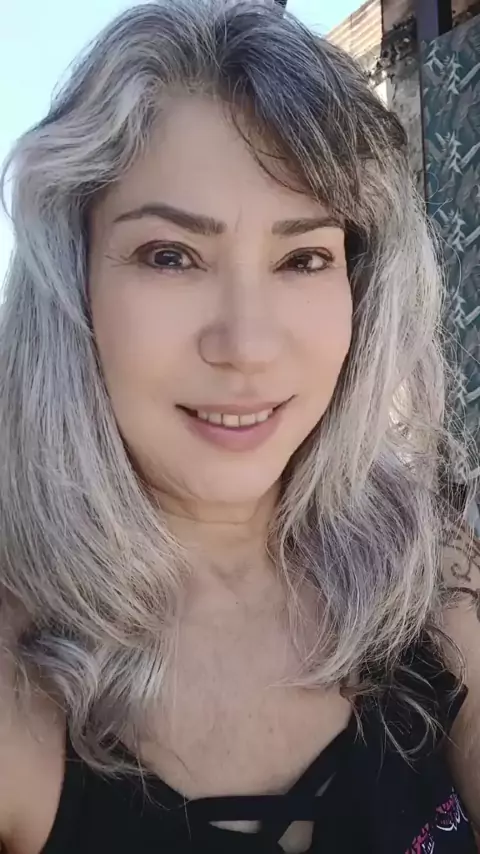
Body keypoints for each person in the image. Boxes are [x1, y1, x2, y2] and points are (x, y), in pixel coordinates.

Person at [0, 1, 478, 852]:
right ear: (73, 286)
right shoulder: (20, 672)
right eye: (171, 256)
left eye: (303, 258)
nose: (248, 346)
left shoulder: (428, 574)